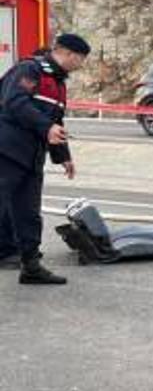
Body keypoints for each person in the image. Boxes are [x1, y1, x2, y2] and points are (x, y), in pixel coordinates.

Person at [0, 34, 91, 285]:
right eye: (81, 59)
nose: (81, 65)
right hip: (6, 151)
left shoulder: (59, 83)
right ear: (70, 54)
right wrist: (46, 127)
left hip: (30, 158)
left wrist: (64, 156)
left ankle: (31, 267)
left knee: (29, 214)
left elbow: (55, 122)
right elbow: (14, 102)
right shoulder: (30, 69)